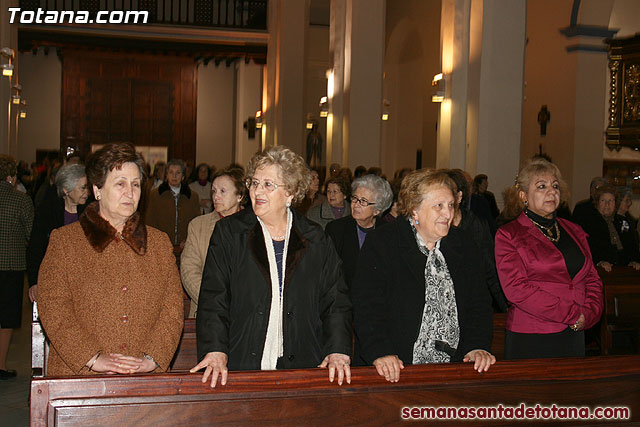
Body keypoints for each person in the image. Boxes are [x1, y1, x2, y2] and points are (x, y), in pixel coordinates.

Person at [191, 146, 352, 387]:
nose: (257, 191)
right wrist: (215, 349)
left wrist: (338, 349)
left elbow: (335, 299)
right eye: (254, 183)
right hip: (242, 356)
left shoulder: (315, 238)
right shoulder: (230, 233)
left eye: (268, 185)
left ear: (290, 193)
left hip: (302, 359)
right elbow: (214, 297)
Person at [37, 142, 184, 376]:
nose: (130, 192)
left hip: (144, 376)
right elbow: (53, 306)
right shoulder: (65, 242)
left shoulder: (158, 243)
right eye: (120, 184)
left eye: (135, 184)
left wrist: (153, 357)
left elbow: (173, 308)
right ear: (97, 190)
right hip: (82, 378)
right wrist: (91, 357)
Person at [352, 169, 495, 382]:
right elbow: (367, 307)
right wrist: (381, 351)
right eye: (438, 206)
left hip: (454, 369)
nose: (447, 213)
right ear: (415, 210)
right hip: (395, 368)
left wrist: (477, 346)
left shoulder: (463, 245)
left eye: (450, 205)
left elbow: (479, 304)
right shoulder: (383, 244)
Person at [495, 158, 604, 360]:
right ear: (523, 195)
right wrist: (573, 314)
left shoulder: (574, 230)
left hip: (574, 333)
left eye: (555, 186)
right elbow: (517, 290)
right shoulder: (509, 234)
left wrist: (589, 314)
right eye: (541, 186)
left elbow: (592, 278)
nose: (551, 191)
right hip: (533, 334)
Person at [181, 167, 247, 317]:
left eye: (223, 191)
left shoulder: (254, 226)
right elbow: (189, 271)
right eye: (214, 191)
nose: (216, 196)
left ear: (240, 195)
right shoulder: (198, 226)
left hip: (245, 314)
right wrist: (215, 302)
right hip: (208, 311)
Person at [446, 169, 508, 312]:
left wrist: (506, 307)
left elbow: (490, 269)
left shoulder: (476, 225)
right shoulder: (435, 225)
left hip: (471, 303)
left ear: (459, 196)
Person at [27, 163, 89, 303]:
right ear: (66, 189)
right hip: (54, 281)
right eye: (83, 188)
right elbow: (36, 248)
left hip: (83, 284)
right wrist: (34, 282)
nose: (87, 193)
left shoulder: (91, 213)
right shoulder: (47, 212)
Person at [325, 174, 393, 289]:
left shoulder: (388, 233)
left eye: (363, 201)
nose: (356, 204)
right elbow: (329, 274)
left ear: (377, 210)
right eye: (355, 198)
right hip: (344, 299)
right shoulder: (336, 229)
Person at [0, 155, 34, 379]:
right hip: (11, 265)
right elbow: (32, 231)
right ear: (11, 178)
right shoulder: (20, 200)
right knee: (6, 317)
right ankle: (0, 365)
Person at [575, 185, 640, 272]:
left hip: (622, 270)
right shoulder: (589, 223)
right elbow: (587, 249)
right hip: (599, 271)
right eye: (603, 200)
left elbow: (631, 245)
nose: (607, 204)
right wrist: (599, 262)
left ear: (615, 204)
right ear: (597, 203)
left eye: (611, 201)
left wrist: (633, 261)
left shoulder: (622, 221)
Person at [146, 159, 201, 256]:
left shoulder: (192, 197)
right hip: (161, 247)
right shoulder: (155, 195)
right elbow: (150, 222)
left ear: (183, 176)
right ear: (166, 175)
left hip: (185, 247)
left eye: (178, 173)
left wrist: (188, 239)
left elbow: (196, 222)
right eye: (171, 172)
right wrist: (159, 242)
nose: (174, 176)